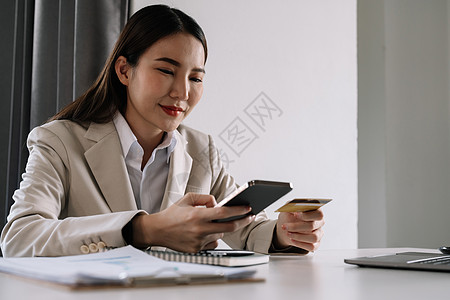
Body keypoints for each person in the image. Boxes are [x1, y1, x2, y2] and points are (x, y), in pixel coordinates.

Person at [0, 5, 324, 257]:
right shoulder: (59, 141)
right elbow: (20, 239)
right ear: (125, 70)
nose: (182, 92)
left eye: (195, 78)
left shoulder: (201, 150)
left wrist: (285, 233)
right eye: (166, 70)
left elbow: (240, 225)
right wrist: (143, 229)